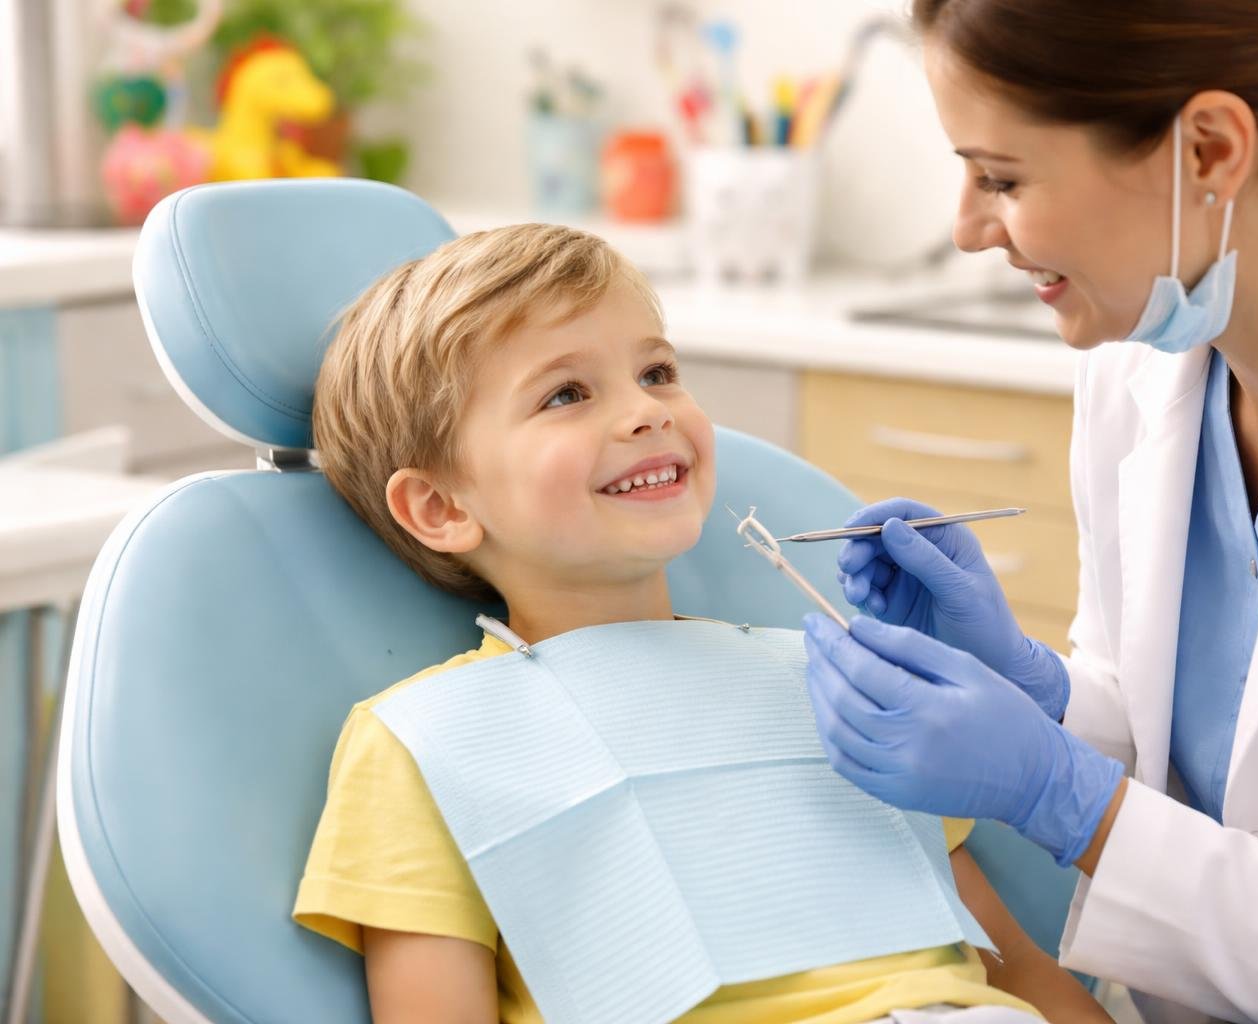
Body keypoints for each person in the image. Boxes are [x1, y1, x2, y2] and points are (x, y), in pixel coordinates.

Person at [801, 1, 1258, 1021]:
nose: (969, 229)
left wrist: (1062, 793)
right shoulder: (1139, 376)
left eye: (1002, 178)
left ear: (1210, 149)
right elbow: (1178, 743)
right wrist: (1042, 695)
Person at [290, 223, 1111, 1024]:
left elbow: (1022, 970)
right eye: (566, 394)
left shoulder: (832, 684)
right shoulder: (424, 744)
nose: (647, 412)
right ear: (439, 506)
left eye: (656, 371)